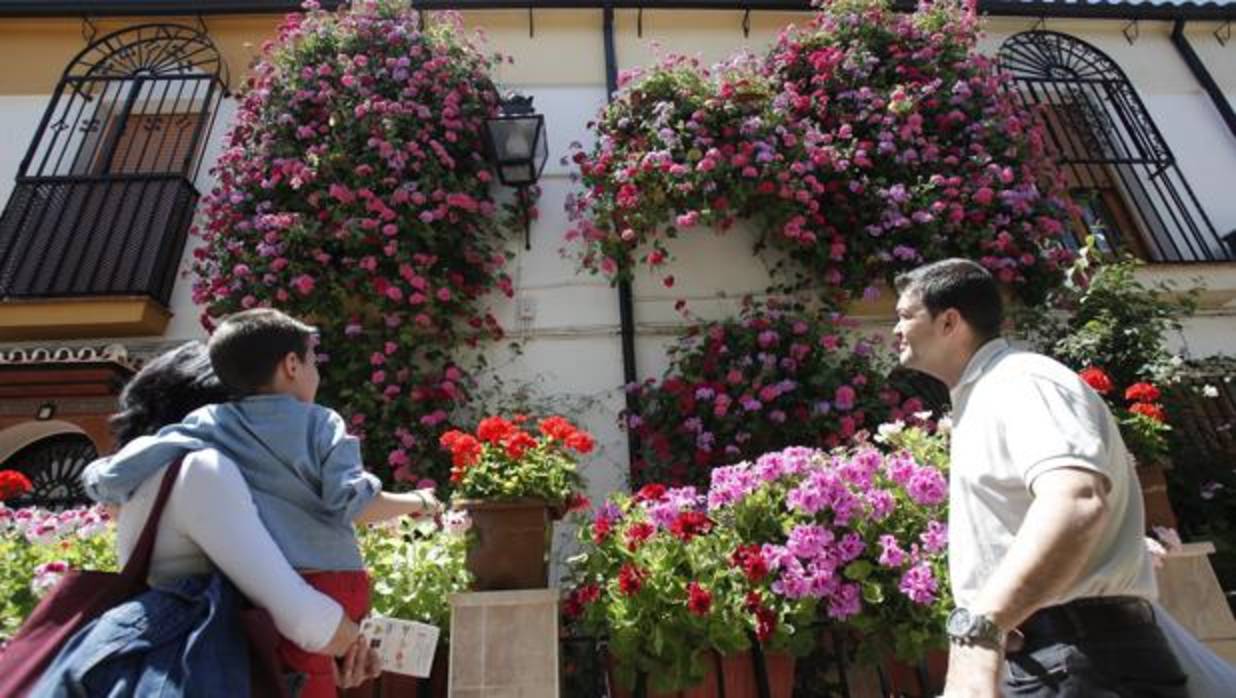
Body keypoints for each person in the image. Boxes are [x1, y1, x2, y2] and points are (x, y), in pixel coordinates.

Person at [82, 310, 440, 698]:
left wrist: (102, 481)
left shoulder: (187, 448)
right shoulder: (210, 470)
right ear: (291, 365)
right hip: (292, 621)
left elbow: (110, 476)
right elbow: (302, 612)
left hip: (210, 654)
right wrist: (420, 501)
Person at [891, 259, 1189, 697]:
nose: (896, 330)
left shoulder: (1020, 381)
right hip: (1057, 657)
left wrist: (980, 631)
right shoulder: (988, 391)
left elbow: (1076, 501)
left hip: (1078, 660)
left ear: (949, 321)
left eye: (905, 316)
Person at [38, 341, 379, 696]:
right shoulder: (203, 471)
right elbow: (298, 613)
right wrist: (355, 644)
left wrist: (324, 656)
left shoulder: (145, 480)